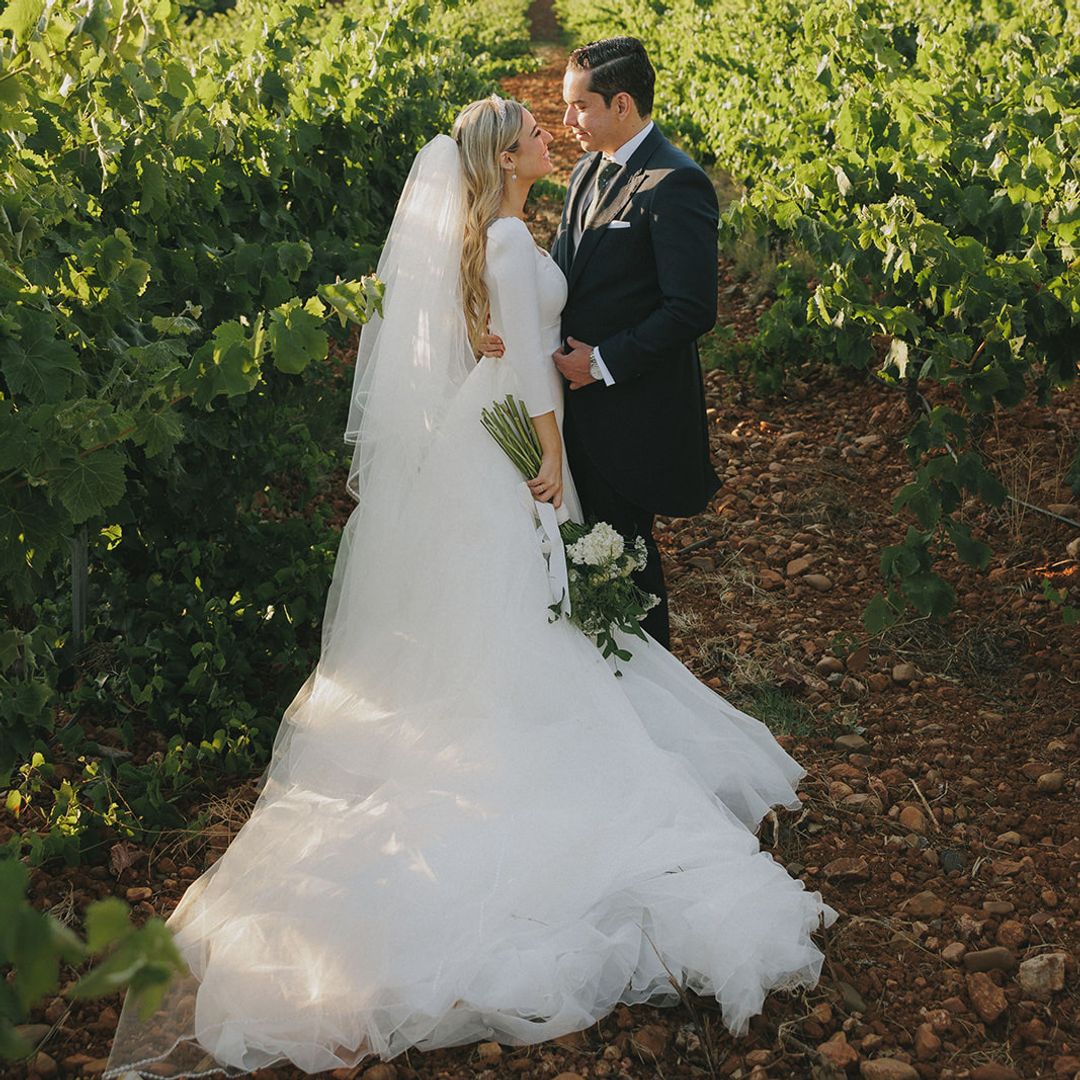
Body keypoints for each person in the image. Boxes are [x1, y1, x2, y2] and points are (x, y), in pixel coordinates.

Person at [103, 95, 836, 1080]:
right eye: (534, 132)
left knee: (517, 607)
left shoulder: (502, 232)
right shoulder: (498, 240)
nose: (548, 135)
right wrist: (545, 455)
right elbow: (530, 363)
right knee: (517, 608)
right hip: (511, 440)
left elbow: (504, 336)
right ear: (507, 155)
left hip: (494, 429)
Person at [483, 37, 720, 649]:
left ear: (621, 105)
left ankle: (656, 709)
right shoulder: (589, 169)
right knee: (591, 565)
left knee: (632, 571)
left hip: (629, 415)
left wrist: (604, 362)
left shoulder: (678, 183)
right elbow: (561, 280)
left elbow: (691, 308)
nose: (565, 123)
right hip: (571, 412)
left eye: (577, 107)